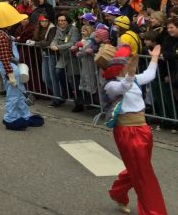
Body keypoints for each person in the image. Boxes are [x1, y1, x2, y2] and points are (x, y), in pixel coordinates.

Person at [96, 44, 167, 215]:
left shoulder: (133, 79)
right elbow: (123, 87)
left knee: (139, 168)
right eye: (126, 61)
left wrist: (154, 57)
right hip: (127, 132)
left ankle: (118, 192)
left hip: (143, 129)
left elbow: (149, 75)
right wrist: (131, 73)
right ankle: (153, 211)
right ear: (119, 67)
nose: (129, 62)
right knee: (143, 173)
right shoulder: (110, 86)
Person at [0, 2, 44, 131]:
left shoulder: (2, 33)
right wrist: (10, 74)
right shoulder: (1, 35)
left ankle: (25, 115)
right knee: (13, 94)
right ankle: (10, 119)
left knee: (20, 92)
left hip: (10, 64)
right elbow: (4, 57)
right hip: (8, 65)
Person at [50, 14, 81, 110]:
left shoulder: (73, 29)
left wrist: (58, 47)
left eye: (63, 20)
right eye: (59, 20)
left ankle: (78, 103)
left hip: (73, 57)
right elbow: (54, 40)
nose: (61, 22)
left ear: (67, 21)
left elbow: (73, 42)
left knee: (74, 79)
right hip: (63, 56)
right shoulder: (58, 29)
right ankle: (66, 91)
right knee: (58, 71)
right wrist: (53, 45)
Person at [32, 14, 56, 97]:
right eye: (42, 21)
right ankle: (56, 96)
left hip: (52, 54)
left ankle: (57, 97)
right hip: (44, 54)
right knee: (45, 78)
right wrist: (30, 41)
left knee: (52, 78)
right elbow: (35, 39)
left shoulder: (52, 28)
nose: (44, 23)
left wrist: (36, 43)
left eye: (46, 21)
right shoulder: (39, 29)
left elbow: (49, 42)